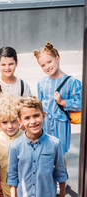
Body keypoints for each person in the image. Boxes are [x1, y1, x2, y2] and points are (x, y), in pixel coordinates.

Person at [34, 42, 81, 170]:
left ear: (57, 58)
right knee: (45, 154)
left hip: (61, 124)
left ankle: (62, 183)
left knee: (59, 155)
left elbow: (81, 103)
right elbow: (40, 105)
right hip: (45, 124)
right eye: (43, 65)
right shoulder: (42, 83)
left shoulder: (73, 82)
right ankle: (49, 182)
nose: (47, 66)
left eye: (49, 62)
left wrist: (63, 102)